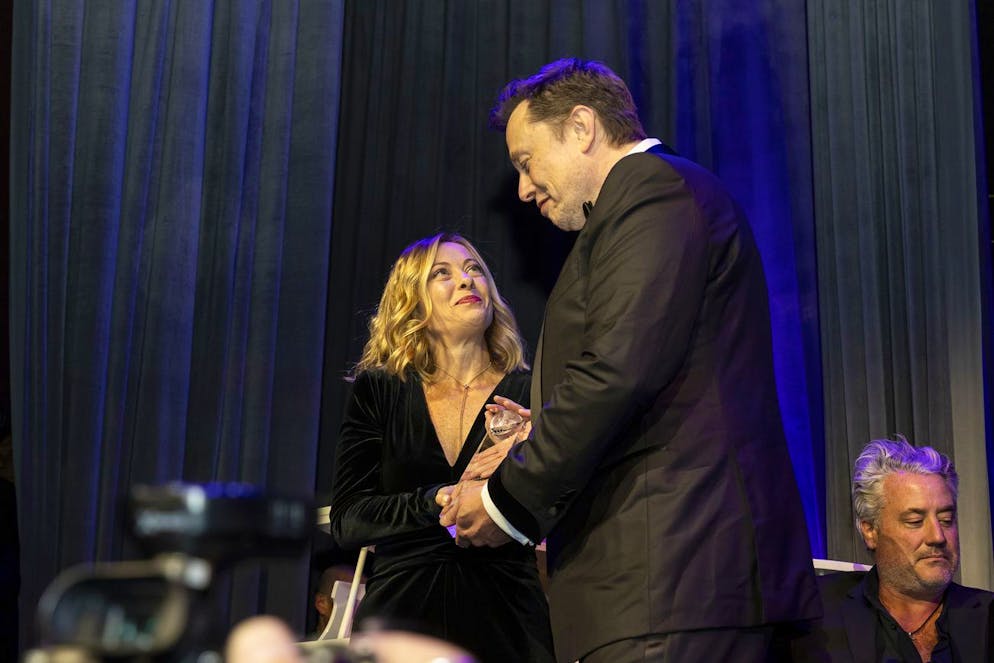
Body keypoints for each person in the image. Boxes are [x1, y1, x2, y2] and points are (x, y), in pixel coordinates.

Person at [439, 58, 820, 662]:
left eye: (525, 161)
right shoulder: (645, 204)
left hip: (672, 586)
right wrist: (529, 440)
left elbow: (617, 372)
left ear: (582, 127)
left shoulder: (651, 189)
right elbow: (648, 372)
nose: (523, 188)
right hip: (660, 593)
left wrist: (503, 499)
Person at [327, 233, 555, 663]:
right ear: (412, 302)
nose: (467, 281)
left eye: (474, 271)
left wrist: (535, 453)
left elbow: (559, 512)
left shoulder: (532, 392)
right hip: (402, 616)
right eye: (442, 274)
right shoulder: (381, 390)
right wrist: (438, 500)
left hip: (509, 618)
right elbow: (348, 521)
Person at [791, 437, 994, 662]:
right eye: (915, 521)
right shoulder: (815, 613)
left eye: (946, 520)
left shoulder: (987, 617)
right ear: (870, 530)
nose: (937, 537)